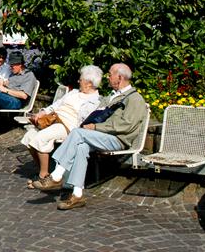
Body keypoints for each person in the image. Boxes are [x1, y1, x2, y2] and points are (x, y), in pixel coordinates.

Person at [32, 63, 147, 210]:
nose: (108, 77)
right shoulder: (111, 96)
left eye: (110, 74)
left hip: (118, 140)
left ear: (120, 77)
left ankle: (56, 176)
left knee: (77, 133)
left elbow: (127, 126)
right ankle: (77, 195)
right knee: (81, 146)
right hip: (101, 136)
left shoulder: (134, 99)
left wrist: (96, 127)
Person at [22, 65, 102, 189]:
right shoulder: (74, 92)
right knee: (30, 136)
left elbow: (86, 121)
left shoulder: (96, 101)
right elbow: (56, 105)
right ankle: (45, 171)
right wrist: (42, 113)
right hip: (53, 119)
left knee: (41, 137)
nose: (78, 81)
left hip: (68, 126)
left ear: (89, 84)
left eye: (80, 80)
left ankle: (43, 176)